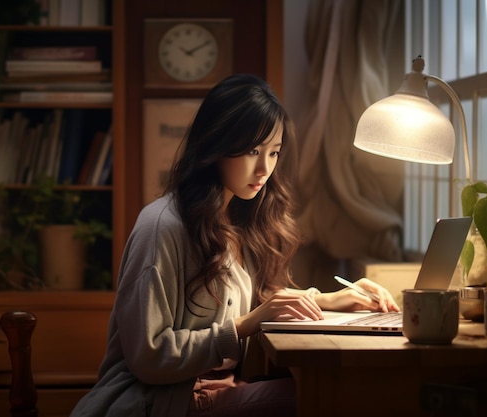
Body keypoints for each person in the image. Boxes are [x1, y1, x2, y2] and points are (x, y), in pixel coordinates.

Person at [70, 74, 399, 417]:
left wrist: (327, 300)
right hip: (160, 401)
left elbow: (255, 308)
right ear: (216, 145)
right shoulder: (162, 227)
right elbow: (150, 357)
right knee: (335, 397)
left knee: (340, 387)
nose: (264, 169)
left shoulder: (237, 219)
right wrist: (244, 326)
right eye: (252, 151)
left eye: (274, 153)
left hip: (215, 387)